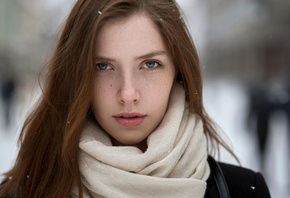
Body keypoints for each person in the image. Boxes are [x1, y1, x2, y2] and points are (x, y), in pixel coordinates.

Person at [0, 0, 271, 197]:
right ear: (75, 76)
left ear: (179, 72)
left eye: (150, 64)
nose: (127, 94)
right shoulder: (24, 192)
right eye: (102, 66)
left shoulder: (242, 191)